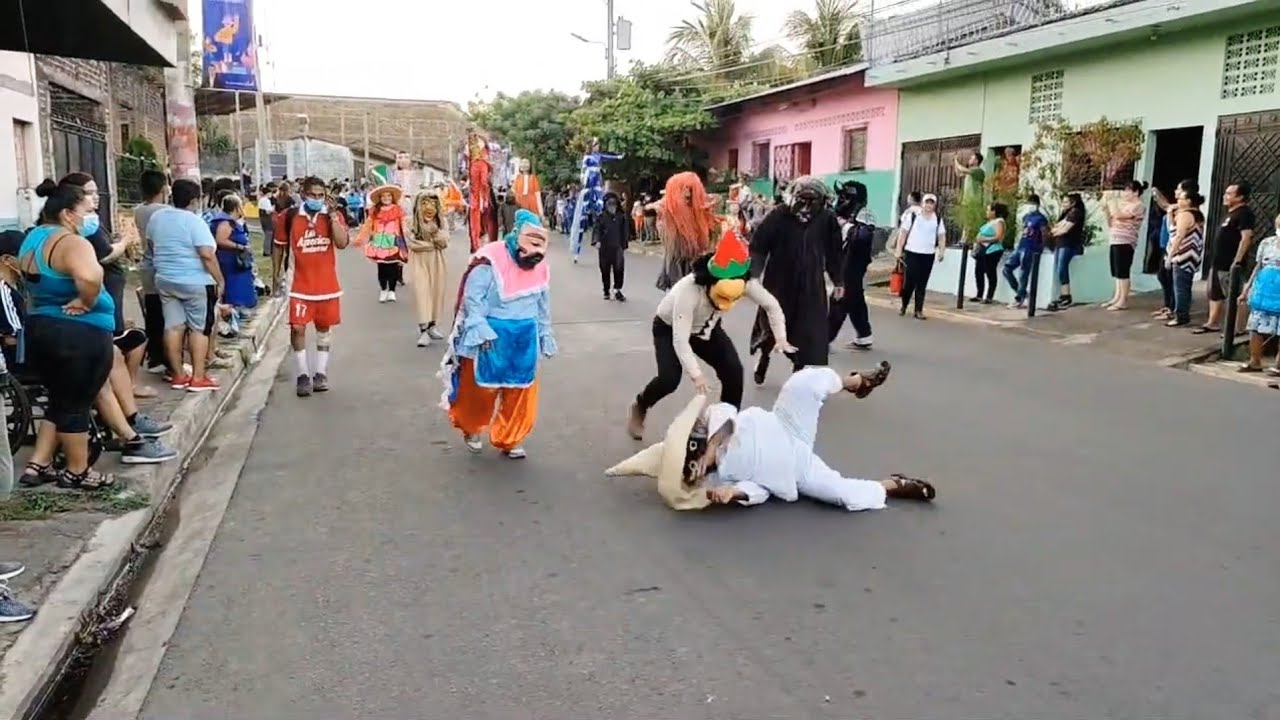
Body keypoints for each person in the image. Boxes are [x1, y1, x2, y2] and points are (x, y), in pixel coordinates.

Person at [605, 364, 935, 512]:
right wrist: (733, 494)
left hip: (787, 424)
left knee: (802, 383)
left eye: (693, 460)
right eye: (691, 472)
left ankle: (856, 382)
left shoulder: (712, 424)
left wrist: (712, 447)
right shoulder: (714, 480)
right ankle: (895, 485)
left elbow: (727, 414)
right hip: (796, 470)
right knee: (841, 494)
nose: (697, 469)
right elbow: (759, 491)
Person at [627, 228, 794, 441]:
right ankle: (641, 404)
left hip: (707, 328)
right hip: (669, 328)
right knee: (669, 379)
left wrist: (780, 336)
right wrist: (696, 375)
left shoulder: (743, 281)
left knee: (734, 372)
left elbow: (771, 305)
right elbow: (680, 339)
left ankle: (724, 427)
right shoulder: (689, 290)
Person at [16, 182, 119, 489]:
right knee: (77, 403)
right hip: (79, 332)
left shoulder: (34, 237)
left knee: (61, 398)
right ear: (67, 214)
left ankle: (39, 463)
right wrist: (87, 301)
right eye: (86, 210)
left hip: (42, 326)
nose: (91, 216)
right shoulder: (72, 243)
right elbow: (89, 276)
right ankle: (78, 470)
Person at [438, 209, 555, 459]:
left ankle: (510, 438)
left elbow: (542, 302)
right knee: (479, 389)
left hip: (524, 336)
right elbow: (474, 297)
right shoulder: (489, 260)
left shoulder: (540, 266)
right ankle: (471, 428)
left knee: (520, 390)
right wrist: (479, 326)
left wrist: (545, 332)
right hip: (490, 336)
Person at [749, 175, 843, 384]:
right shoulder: (779, 215)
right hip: (779, 282)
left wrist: (838, 280)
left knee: (809, 331)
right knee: (772, 325)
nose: (807, 207)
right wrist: (753, 275)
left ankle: (799, 374)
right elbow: (758, 245)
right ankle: (764, 357)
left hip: (811, 284)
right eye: (803, 200)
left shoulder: (826, 218)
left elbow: (834, 251)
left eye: (812, 202)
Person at [273, 176, 351, 397]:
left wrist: (333, 216)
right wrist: (276, 276)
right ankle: (302, 374)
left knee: (323, 329)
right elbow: (278, 247)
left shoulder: (332, 216)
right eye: (312, 195)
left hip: (327, 286)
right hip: (298, 285)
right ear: (303, 194)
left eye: (321, 195)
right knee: (297, 328)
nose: (317, 199)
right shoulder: (288, 217)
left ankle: (320, 373)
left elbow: (342, 243)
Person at [149, 179, 224, 392]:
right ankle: (198, 377)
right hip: (195, 282)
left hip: (165, 279)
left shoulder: (157, 217)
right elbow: (206, 254)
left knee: (173, 327)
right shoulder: (195, 222)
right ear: (194, 200)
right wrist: (220, 280)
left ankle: (179, 375)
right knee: (199, 329)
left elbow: (152, 244)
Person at [1200, 182, 1256, 336]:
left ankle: (1238, 328)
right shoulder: (1231, 213)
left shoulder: (1245, 214)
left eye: (1230, 194)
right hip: (1218, 261)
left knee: (1235, 296)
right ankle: (1212, 322)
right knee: (1214, 293)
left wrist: (1237, 261)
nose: (1225, 196)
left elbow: (1246, 238)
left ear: (1240, 197)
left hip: (1230, 263)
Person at [827, 180, 875, 350]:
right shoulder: (840, 212)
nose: (841, 200)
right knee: (855, 299)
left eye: (845, 197)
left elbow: (864, 236)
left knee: (840, 297)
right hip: (843, 260)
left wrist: (847, 226)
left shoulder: (864, 213)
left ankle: (823, 340)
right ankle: (864, 335)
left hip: (854, 263)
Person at [651, 172, 718, 290]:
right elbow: (654, 208)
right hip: (677, 253)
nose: (688, 193)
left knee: (695, 287)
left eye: (690, 190)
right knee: (678, 287)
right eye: (684, 189)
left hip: (695, 255)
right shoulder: (669, 208)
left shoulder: (698, 209)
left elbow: (712, 203)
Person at [134, 169, 171, 374]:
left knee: (153, 313)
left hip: (147, 266)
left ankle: (154, 356)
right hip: (163, 266)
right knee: (169, 316)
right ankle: (169, 359)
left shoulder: (139, 210)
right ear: (163, 188)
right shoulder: (165, 211)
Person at [1236, 210, 1280, 374]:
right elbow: (1258, 266)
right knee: (1255, 326)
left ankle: (1278, 366)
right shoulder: (1267, 243)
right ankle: (1255, 361)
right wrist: (1246, 289)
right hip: (1263, 290)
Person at [894, 192, 947, 319]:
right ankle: (904, 305)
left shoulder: (937, 219)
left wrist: (941, 251)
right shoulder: (913, 216)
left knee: (922, 283)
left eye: (931, 203)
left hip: (928, 254)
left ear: (934, 205)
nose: (929, 205)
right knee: (909, 283)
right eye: (927, 202)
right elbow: (903, 233)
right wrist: (899, 250)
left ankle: (918, 310)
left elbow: (941, 236)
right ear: (922, 203)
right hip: (912, 252)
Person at [407, 189, 449, 347]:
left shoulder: (440, 223)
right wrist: (432, 244)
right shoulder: (411, 223)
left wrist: (435, 233)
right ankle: (423, 330)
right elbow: (413, 244)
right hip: (419, 262)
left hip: (437, 261)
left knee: (436, 292)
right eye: (424, 203)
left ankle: (432, 325)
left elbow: (444, 241)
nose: (429, 207)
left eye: (432, 203)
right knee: (422, 293)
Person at [356, 184, 408, 303]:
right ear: (380, 198)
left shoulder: (398, 209)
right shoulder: (375, 210)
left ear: (392, 197)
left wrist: (407, 236)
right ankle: (384, 290)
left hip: (393, 242)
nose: (386, 198)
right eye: (383, 196)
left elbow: (403, 224)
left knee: (393, 267)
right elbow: (368, 225)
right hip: (378, 243)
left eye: (388, 195)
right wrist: (360, 238)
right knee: (382, 268)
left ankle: (392, 291)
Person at [1102, 180, 1147, 311]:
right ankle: (1116, 297)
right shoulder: (1123, 205)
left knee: (1123, 272)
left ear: (1136, 192)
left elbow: (1119, 215)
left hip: (1126, 241)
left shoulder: (1138, 206)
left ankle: (1123, 300)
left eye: (1128, 191)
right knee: (1117, 272)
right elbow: (1111, 221)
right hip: (1115, 239)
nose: (1124, 193)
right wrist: (1106, 209)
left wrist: (1111, 201)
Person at [1164, 190, 1206, 328]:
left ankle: (1181, 316)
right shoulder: (1196, 214)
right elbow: (1172, 229)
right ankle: (1182, 313)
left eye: (1181, 199)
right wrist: (1170, 213)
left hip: (1183, 255)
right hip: (1192, 256)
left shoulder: (1186, 215)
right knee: (1184, 286)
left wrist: (1170, 256)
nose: (1178, 201)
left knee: (1180, 287)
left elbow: (1179, 236)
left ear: (1188, 201)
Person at [1002, 194, 1050, 309]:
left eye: (1032, 203)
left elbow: (1044, 233)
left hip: (1031, 248)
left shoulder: (1041, 218)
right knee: (1006, 269)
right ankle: (1021, 292)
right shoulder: (1026, 217)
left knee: (1023, 273)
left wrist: (1041, 247)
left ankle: (1019, 298)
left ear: (1037, 205)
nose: (1029, 206)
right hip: (1021, 246)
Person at [209, 194, 257, 309]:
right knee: (234, 289)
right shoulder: (225, 222)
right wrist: (240, 247)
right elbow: (220, 240)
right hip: (231, 263)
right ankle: (235, 309)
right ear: (236, 207)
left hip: (237, 262)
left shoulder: (231, 221)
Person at [1046, 192, 1086, 312]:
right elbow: (1058, 225)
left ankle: (1066, 296)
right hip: (1061, 243)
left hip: (1069, 244)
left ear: (1073, 203)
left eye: (1066, 202)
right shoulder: (1067, 213)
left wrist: (1054, 232)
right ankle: (1063, 295)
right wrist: (1056, 230)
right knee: (1060, 269)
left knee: (1062, 269)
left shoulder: (1076, 213)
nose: (1063, 204)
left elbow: (1065, 229)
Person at [592, 192, 629, 301]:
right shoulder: (601, 217)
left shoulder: (621, 217)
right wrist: (597, 241)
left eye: (614, 204)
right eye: (610, 204)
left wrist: (624, 243)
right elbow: (597, 230)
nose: (612, 206)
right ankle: (606, 290)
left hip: (617, 247)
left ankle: (617, 290)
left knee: (619, 269)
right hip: (605, 248)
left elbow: (625, 231)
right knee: (605, 270)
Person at [970, 202, 1009, 305]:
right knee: (979, 271)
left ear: (994, 211)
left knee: (990, 272)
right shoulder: (990, 222)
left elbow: (998, 237)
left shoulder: (999, 222)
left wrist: (984, 239)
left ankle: (989, 297)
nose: (987, 212)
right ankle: (979, 294)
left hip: (992, 250)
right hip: (983, 250)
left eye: (988, 210)